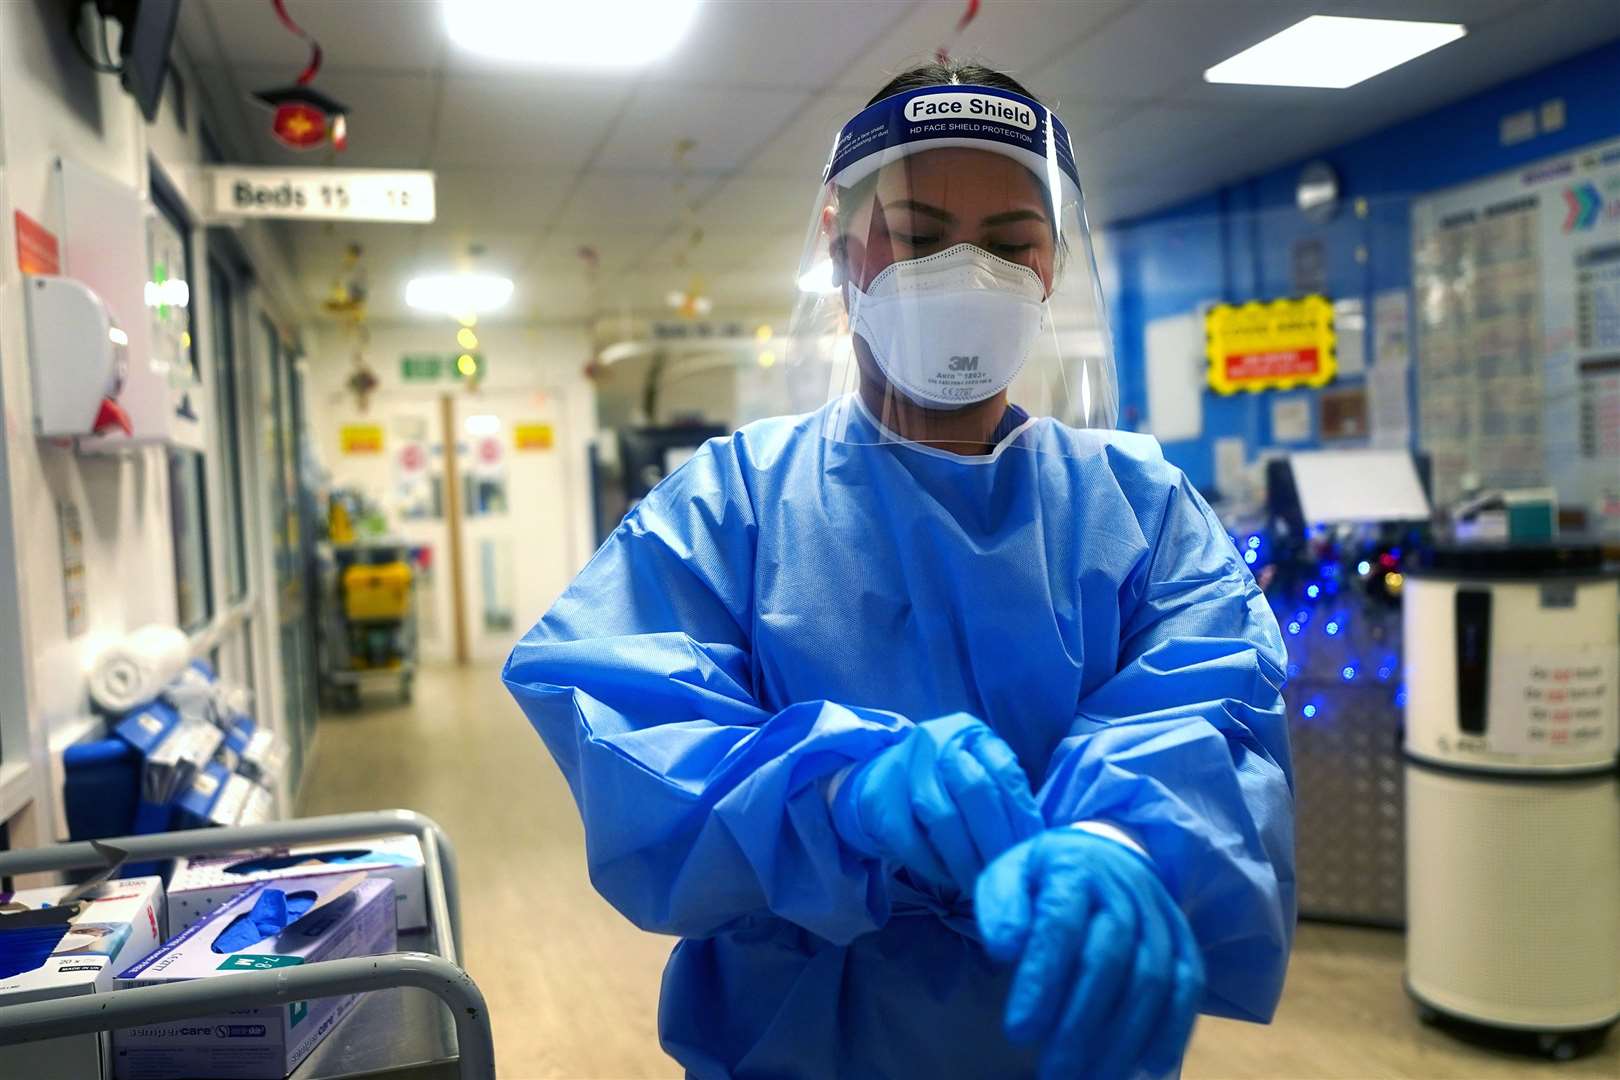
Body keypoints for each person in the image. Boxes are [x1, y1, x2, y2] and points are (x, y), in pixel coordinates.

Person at [505, 60, 1294, 1080]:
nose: (970, 276)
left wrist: (1126, 846)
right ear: (844, 255)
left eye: (1011, 244)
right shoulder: (732, 504)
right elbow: (629, 731)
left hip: (1060, 1042)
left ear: (1052, 266)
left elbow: (1216, 720)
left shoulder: (1139, 513)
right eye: (920, 238)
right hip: (801, 1040)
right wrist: (837, 796)